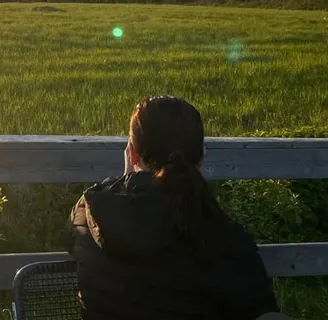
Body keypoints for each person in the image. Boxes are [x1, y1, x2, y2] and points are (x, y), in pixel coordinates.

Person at [68, 95, 280, 320]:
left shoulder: (89, 214)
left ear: (131, 153)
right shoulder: (221, 238)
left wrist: (127, 185)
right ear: (202, 156)